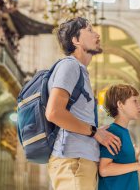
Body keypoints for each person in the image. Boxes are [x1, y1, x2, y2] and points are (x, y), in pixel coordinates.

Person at [45, 17, 122, 190]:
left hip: (81, 161)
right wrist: (94, 132)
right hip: (73, 161)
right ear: (76, 40)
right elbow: (54, 112)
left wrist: (96, 130)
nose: (97, 34)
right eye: (90, 30)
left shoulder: (80, 71)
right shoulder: (69, 66)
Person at [98, 84, 140, 190]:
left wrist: (134, 159)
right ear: (120, 104)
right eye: (134, 101)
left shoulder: (123, 132)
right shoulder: (113, 132)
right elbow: (104, 169)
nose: (139, 105)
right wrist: (138, 166)